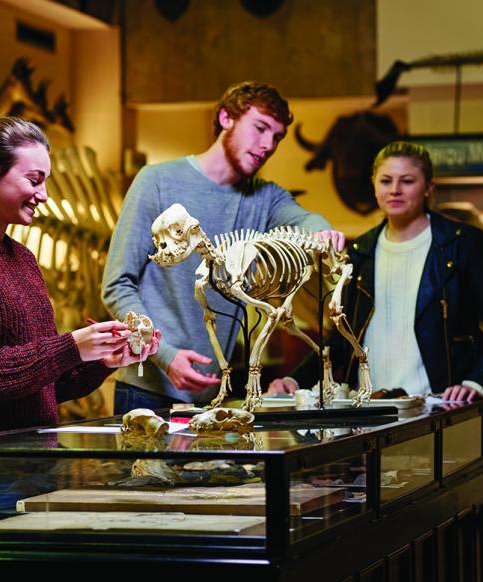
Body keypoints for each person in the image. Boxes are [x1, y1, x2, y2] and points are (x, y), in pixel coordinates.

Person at [0, 117, 159, 442]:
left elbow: (46, 381)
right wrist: (71, 346)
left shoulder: (23, 258)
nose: (44, 195)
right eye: (34, 180)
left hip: (31, 464)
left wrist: (105, 359)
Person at [102, 81, 344, 412]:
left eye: (276, 137)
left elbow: (305, 220)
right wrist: (165, 355)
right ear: (226, 118)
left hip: (212, 396)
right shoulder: (155, 180)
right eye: (260, 128)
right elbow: (117, 285)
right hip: (147, 389)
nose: (267, 145)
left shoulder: (266, 197)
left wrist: (325, 232)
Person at [270, 141, 483, 402]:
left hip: (440, 403)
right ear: (374, 186)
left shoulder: (462, 244)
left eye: (407, 181)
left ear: (428, 188)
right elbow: (343, 337)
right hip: (370, 405)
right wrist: (294, 379)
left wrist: (478, 381)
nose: (395, 190)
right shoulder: (360, 251)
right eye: (386, 181)